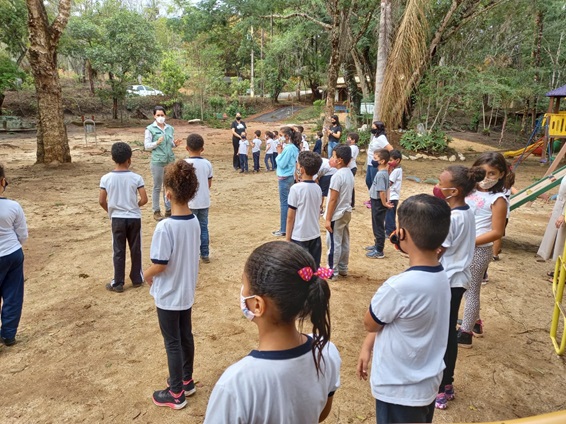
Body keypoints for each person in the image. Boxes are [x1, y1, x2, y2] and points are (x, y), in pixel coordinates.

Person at [204, 241, 341, 423]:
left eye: (244, 285)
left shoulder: (235, 385)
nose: (242, 292)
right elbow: (322, 413)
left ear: (258, 305)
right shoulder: (326, 351)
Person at [357, 194, 451, 424]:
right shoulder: (442, 277)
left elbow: (370, 323)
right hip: (425, 384)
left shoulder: (399, 287)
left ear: (402, 234)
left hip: (398, 390)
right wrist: (367, 347)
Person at [144, 160, 200, 410]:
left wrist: (146, 274)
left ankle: (176, 392)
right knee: (185, 335)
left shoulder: (165, 227)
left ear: (167, 194)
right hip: (185, 291)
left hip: (168, 294)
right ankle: (186, 380)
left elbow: (160, 264)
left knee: (173, 342)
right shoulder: (195, 221)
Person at [433, 166, 484, 410]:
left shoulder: (454, 218)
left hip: (450, 281)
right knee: (445, 331)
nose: (438, 186)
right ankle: (446, 383)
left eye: (441, 183)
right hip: (457, 279)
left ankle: (444, 386)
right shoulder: (466, 211)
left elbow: (438, 250)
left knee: (443, 335)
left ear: (455, 190)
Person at [459, 152, 508, 348]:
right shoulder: (469, 190)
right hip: (463, 247)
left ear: (501, 174)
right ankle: (476, 323)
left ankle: (465, 334)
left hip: (479, 251)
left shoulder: (498, 199)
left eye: (492, 174)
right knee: (463, 288)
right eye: (483, 173)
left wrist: (471, 242)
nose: (487, 178)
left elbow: (497, 231)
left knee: (471, 292)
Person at [99, 142, 148, 293]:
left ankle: (118, 282)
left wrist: (111, 211)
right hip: (134, 217)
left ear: (113, 158)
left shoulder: (106, 178)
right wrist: (134, 206)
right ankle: (137, 279)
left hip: (117, 219)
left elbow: (101, 201)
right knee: (136, 248)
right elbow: (144, 199)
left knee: (118, 250)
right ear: (129, 159)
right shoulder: (136, 178)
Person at [0, 163, 28, 346]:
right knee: (13, 295)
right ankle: (8, 335)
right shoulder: (13, 206)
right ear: (2, 182)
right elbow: (23, 234)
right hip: (12, 254)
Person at [144, 106, 183, 221]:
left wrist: (175, 144)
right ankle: (156, 211)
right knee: (157, 187)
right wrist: (156, 142)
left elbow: (170, 143)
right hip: (157, 162)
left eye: (162, 115)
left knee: (169, 186)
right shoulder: (150, 129)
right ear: (154, 116)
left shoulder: (170, 128)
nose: (160, 117)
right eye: (158, 115)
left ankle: (168, 209)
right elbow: (147, 146)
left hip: (169, 161)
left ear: (165, 116)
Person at [286, 151, 323, 268]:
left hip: (299, 236)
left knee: (299, 270)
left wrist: (287, 239)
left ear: (301, 169)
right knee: (313, 268)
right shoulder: (317, 188)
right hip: (315, 235)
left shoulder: (296, 189)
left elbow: (290, 217)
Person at [325, 145, 354, 277]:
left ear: (340, 160)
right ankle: (343, 268)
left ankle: (332, 271)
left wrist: (328, 219)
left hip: (337, 214)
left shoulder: (337, 176)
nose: (331, 158)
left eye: (333, 156)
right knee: (344, 241)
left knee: (333, 243)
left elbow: (332, 199)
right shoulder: (349, 173)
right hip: (346, 211)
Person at [184, 133, 213, 264]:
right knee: (203, 227)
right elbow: (209, 183)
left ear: (186, 148)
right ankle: (205, 253)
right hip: (204, 201)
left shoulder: (184, 164)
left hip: (190, 202)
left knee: (190, 229)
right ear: (202, 148)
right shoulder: (207, 164)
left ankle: (192, 255)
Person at [272, 127, 301, 237]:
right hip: (289, 176)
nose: (279, 137)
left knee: (284, 203)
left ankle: (284, 228)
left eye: (280, 135)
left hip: (285, 177)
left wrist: (279, 153)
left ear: (287, 136)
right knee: (289, 202)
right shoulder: (293, 148)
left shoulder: (288, 148)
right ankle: (289, 227)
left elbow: (282, 163)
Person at [366, 149, 393, 259]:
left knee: (378, 226)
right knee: (376, 224)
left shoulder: (381, 174)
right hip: (376, 201)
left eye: (375, 158)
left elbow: (382, 191)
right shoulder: (382, 172)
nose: (373, 160)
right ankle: (376, 244)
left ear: (382, 161)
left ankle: (379, 250)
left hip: (378, 202)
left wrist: (384, 203)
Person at [538, 175, 566, 267]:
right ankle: (558, 269)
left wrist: (563, 214)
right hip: (560, 206)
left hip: (563, 210)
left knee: (562, 241)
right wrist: (555, 210)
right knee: (556, 239)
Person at [364, 121, 393, 209]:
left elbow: (390, 149)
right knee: (368, 181)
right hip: (370, 162)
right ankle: (371, 198)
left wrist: (388, 162)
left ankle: (378, 200)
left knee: (375, 182)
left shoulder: (381, 138)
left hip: (376, 164)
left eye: (373, 127)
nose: (372, 129)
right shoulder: (375, 137)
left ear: (378, 128)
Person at [385, 150, 403, 237]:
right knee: (389, 214)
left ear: (397, 160)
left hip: (392, 196)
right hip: (392, 196)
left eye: (391, 160)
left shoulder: (396, 171)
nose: (389, 162)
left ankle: (389, 231)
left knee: (389, 215)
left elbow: (390, 182)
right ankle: (390, 230)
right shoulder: (395, 170)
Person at [347, 132, 359, 208]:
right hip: (351, 167)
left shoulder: (353, 148)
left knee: (350, 185)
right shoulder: (351, 147)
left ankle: (351, 203)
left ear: (353, 140)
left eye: (349, 139)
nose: (347, 140)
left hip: (351, 168)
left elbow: (349, 158)